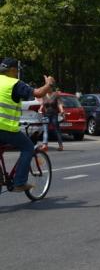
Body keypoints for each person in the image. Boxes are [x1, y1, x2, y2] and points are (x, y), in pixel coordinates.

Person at [0, 57, 55, 191]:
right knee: (28, 147)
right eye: (16, 70)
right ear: (13, 70)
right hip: (5, 128)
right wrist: (49, 84)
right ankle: (19, 182)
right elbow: (38, 93)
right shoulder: (14, 84)